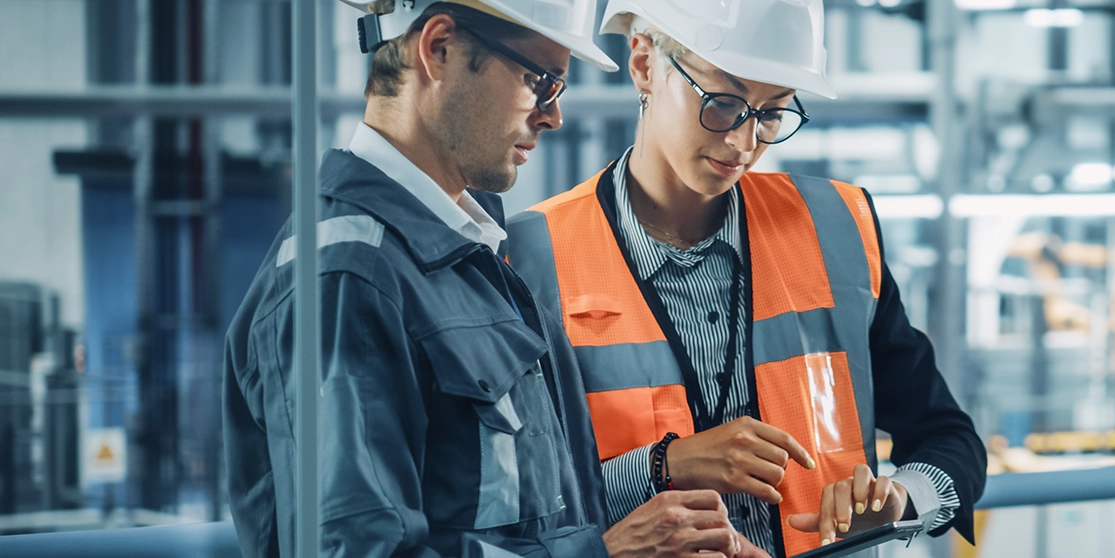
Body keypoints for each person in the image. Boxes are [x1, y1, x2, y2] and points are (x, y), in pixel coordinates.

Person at [222, 1, 762, 556]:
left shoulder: (466, 262)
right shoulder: (349, 278)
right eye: (542, 81)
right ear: (440, 49)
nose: (552, 116)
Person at [503, 1, 986, 556]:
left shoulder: (835, 231)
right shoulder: (528, 260)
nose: (744, 142)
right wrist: (663, 467)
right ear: (643, 64)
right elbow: (515, 504)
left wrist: (901, 501)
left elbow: (950, 440)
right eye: (722, 103)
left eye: (773, 112)